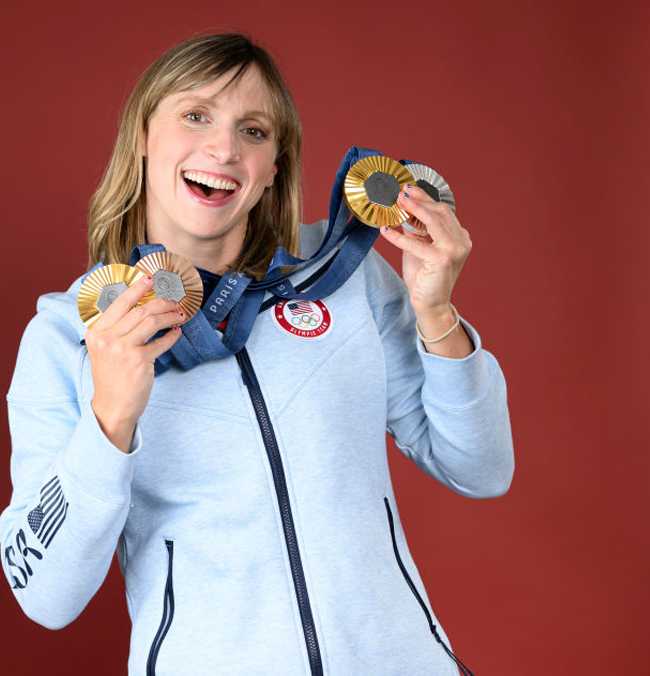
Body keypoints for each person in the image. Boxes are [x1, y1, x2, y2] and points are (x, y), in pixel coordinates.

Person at [1, 33, 513, 675]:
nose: (223, 149)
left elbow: (481, 468)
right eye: (195, 116)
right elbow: (46, 596)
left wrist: (436, 314)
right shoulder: (68, 336)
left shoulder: (347, 276)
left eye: (253, 131)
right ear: (142, 136)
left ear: (274, 166)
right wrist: (110, 420)